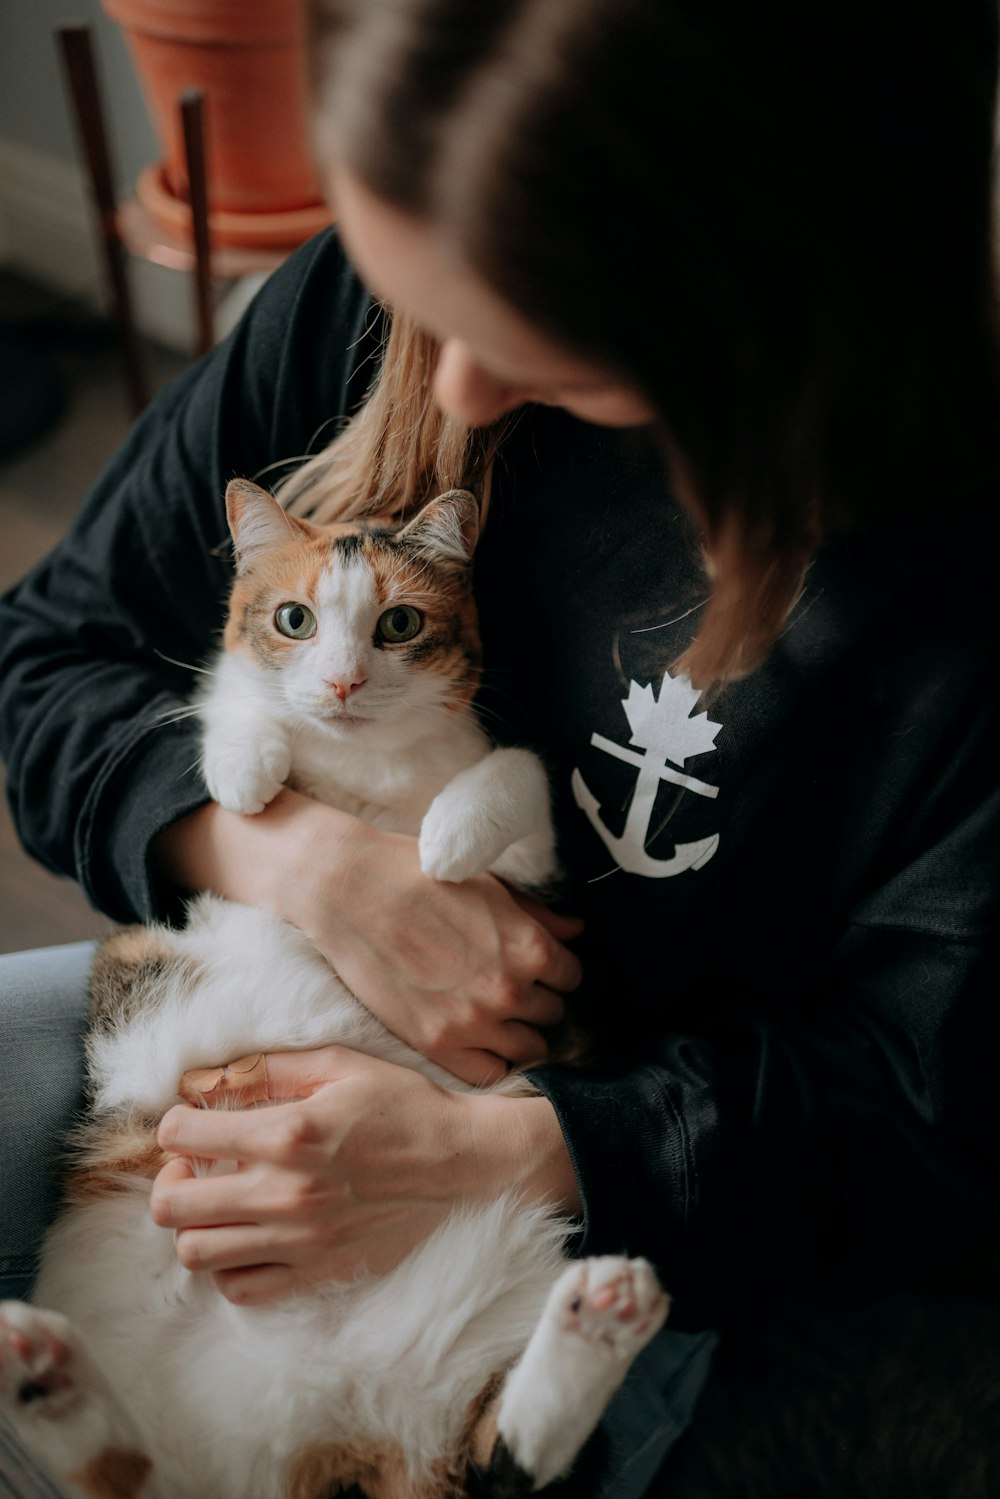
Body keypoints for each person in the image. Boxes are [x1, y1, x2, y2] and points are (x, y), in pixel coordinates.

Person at [2, 0, 999, 1492]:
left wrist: (496, 1149)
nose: (455, 394)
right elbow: (41, 659)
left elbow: (932, 1120)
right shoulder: (368, 298)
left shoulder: (954, 596)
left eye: (546, 348)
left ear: (770, 292)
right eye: (428, 307)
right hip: (251, 1013)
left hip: (638, 1173)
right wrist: (302, 861)